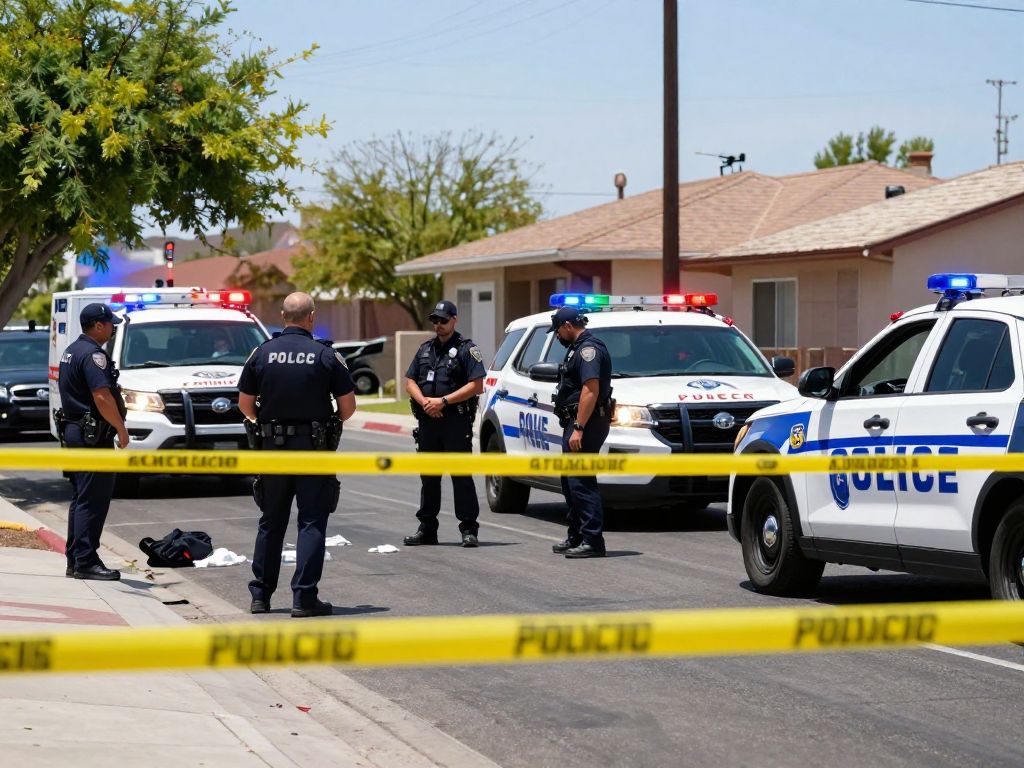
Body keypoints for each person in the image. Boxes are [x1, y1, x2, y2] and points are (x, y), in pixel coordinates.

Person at [238, 292, 356, 618]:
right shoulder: (326, 356)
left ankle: (260, 596)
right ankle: (304, 599)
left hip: (272, 451)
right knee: (312, 523)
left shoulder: (261, 354)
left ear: (283, 315)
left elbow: (245, 406)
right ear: (311, 317)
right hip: (313, 451)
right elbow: (347, 408)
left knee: (271, 523)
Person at [403, 299, 486, 548]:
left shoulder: (466, 349)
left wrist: (444, 401)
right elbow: (410, 381)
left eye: (443, 320)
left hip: (455, 422)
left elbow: (477, 385)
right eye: (435, 321)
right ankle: (427, 528)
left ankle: (469, 530)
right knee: (429, 477)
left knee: (460, 477)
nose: (438, 325)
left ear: (454, 320)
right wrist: (426, 402)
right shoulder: (425, 349)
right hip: (428, 422)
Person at [57, 303, 130, 580]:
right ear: (98, 325)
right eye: (110, 324)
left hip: (77, 431)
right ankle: (86, 560)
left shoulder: (72, 350)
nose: (113, 328)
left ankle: (76, 559)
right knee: (93, 499)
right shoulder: (92, 355)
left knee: (81, 497)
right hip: (91, 436)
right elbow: (102, 396)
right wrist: (121, 429)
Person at [549, 305, 614, 558]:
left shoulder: (589, 350)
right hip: (577, 422)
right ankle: (575, 535)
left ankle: (593, 541)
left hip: (586, 423)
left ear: (568, 326)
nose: (557, 336)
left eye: (557, 331)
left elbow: (590, 390)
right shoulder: (576, 348)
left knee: (582, 482)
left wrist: (578, 427)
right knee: (571, 481)